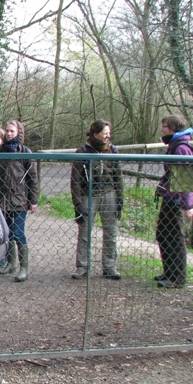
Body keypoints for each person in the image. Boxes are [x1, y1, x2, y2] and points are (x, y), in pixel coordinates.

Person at [70, 120, 124, 280]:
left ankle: (109, 267)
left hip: (109, 194)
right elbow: (75, 180)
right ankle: (82, 267)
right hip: (88, 194)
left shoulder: (112, 151)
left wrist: (120, 200)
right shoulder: (82, 151)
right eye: (105, 133)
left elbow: (118, 177)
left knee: (111, 231)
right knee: (85, 232)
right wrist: (77, 203)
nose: (108, 136)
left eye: (109, 133)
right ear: (95, 134)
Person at [155, 115, 193, 289]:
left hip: (176, 200)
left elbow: (186, 179)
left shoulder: (181, 148)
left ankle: (178, 277)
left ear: (172, 128)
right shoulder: (174, 145)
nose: (162, 129)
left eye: (164, 126)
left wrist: (188, 205)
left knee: (175, 238)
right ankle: (169, 272)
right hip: (169, 197)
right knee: (163, 234)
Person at [0, 120, 39, 282]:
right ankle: (11, 263)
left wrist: (33, 200)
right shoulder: (0, 152)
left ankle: (24, 268)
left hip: (20, 200)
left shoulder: (25, 152)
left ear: (19, 132)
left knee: (18, 233)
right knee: (6, 233)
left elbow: (33, 179)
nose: (8, 133)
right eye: (7, 130)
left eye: (12, 131)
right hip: (3, 200)